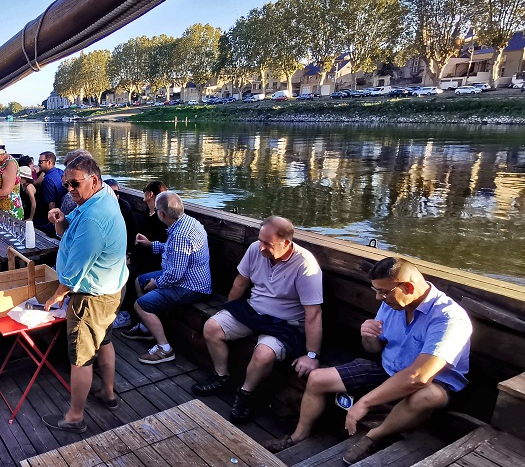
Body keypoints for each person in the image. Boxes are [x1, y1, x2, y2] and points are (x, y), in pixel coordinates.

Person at [265, 257, 471, 465]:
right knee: (317, 378)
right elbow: (373, 349)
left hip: (434, 383)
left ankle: (373, 437)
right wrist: (368, 338)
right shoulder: (393, 303)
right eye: (375, 290)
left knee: (426, 396)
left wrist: (365, 402)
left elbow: (419, 377)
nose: (377, 297)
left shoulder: (448, 318)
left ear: (408, 287)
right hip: (387, 368)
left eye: (383, 292)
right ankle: (298, 436)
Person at [192, 216, 323, 425]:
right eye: (260, 240)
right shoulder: (255, 249)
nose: (261, 247)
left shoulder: (305, 265)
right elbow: (240, 283)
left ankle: (245, 395)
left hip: (283, 324)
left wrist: (312, 355)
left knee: (263, 354)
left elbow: (313, 313)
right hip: (253, 312)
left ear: (286, 243)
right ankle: (221, 376)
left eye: (267, 243)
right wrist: (229, 309)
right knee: (212, 327)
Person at [41, 156, 127, 433]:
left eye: (75, 183)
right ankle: (108, 393)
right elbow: (73, 231)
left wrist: (57, 295)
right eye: (66, 184)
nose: (69, 189)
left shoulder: (93, 218)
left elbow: (76, 269)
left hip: (90, 298)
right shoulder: (102, 198)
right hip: (111, 289)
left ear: (94, 180)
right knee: (105, 341)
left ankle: (75, 416)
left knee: (80, 357)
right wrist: (61, 221)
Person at [122, 192, 211, 365]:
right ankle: (146, 328)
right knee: (139, 280)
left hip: (191, 286)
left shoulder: (179, 236)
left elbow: (174, 275)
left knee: (140, 305)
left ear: (161, 214)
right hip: (186, 277)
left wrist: (157, 283)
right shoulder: (188, 222)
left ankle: (164, 348)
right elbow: (174, 251)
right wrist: (151, 244)